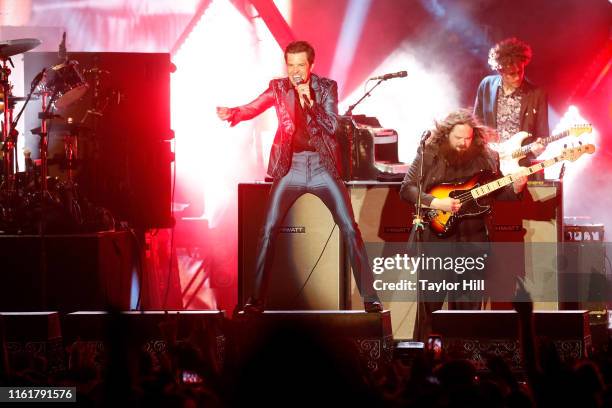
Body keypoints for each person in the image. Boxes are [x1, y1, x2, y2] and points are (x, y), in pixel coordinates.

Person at [217, 40, 382, 313]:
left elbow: (331, 125)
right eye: (290, 65)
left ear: (311, 66)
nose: (294, 71)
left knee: (350, 229)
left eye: (300, 65)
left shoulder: (326, 87)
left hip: (322, 167)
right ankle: (256, 300)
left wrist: (310, 101)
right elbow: (254, 106)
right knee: (268, 229)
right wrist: (234, 113)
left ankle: (370, 297)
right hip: (290, 167)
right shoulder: (279, 87)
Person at [400, 109, 527, 341]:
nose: (463, 143)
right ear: (446, 134)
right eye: (458, 138)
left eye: (468, 139)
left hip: (473, 241)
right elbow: (407, 189)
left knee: (468, 309)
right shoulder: (429, 153)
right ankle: (425, 360)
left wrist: (516, 189)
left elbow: (498, 193)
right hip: (436, 242)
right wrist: (437, 202)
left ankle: (465, 361)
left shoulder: (487, 157)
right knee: (431, 308)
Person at [474, 37, 548, 174]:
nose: (517, 77)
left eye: (520, 71)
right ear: (500, 71)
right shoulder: (486, 85)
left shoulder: (537, 94)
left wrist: (539, 148)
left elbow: (543, 134)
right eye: (511, 74)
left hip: (520, 165)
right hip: (489, 163)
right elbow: (476, 123)